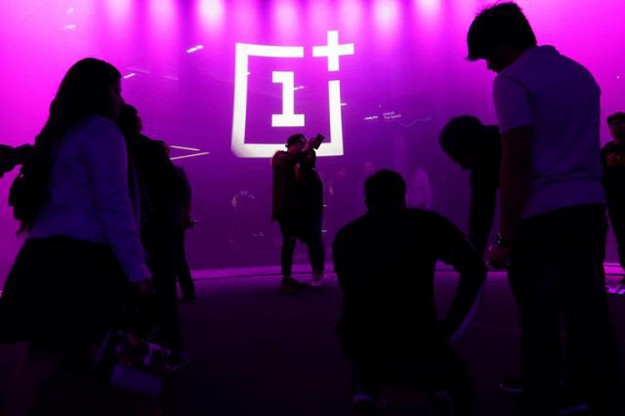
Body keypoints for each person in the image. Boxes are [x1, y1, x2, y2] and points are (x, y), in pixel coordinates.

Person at [468, 3, 624, 415]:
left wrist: (506, 237)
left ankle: (544, 392)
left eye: (488, 55)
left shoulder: (512, 80)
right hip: (588, 204)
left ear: (501, 43)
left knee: (539, 310)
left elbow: (516, 159)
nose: (489, 66)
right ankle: (593, 390)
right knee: (588, 306)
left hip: (543, 211)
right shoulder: (580, 74)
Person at [0, 58, 152, 416]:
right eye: (116, 91)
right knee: (96, 354)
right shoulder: (102, 132)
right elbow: (114, 205)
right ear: (101, 93)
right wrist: (137, 268)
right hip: (80, 262)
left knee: (50, 358)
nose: (121, 101)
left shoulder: (61, 134)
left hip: (44, 255)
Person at [333, 169, 486, 416]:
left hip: (358, 339)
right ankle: (439, 388)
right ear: (403, 196)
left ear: (366, 200)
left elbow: (349, 290)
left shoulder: (345, 236)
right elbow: (475, 266)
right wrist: (452, 325)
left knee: (367, 344)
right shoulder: (426, 224)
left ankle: (366, 385)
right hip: (417, 335)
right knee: (459, 385)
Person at [118, 104, 187, 364]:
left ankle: (131, 351)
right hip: (157, 228)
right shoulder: (151, 148)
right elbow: (172, 187)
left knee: (129, 294)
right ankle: (169, 351)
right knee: (164, 290)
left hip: (126, 229)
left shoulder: (112, 149)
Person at [271, 133, 325, 294]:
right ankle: (286, 278)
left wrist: (310, 152)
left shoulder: (301, 162)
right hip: (287, 209)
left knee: (310, 239)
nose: (303, 147)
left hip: (300, 209)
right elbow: (288, 162)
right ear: (293, 144)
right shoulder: (281, 157)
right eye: (301, 144)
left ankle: (315, 273)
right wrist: (306, 150)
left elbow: (308, 168)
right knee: (288, 242)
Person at [439, 115, 500, 255]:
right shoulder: (485, 158)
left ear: (471, 148)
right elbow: (480, 215)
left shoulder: (485, 165)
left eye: (460, 159)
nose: (462, 167)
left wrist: (473, 256)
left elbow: (481, 214)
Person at [601, 112, 625, 285]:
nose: (617, 127)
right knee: (622, 236)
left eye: (620, 123)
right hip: (615, 202)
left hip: (615, 200)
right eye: (613, 124)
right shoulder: (606, 151)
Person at [173, 164, 197, 303]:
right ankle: (188, 291)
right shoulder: (178, 172)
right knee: (179, 255)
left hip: (164, 220)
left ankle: (169, 293)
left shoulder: (152, 171)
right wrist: (185, 217)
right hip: (177, 219)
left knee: (164, 257)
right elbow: (187, 195)